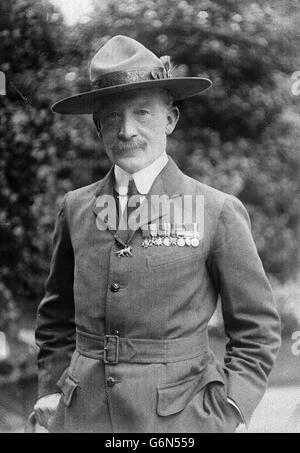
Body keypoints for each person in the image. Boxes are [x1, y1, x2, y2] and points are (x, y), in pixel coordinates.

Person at [34, 35, 281, 433]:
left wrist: (233, 407)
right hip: (82, 418)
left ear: (169, 119)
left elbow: (256, 328)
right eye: (112, 117)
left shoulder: (216, 210)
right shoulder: (76, 208)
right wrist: (50, 390)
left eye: (143, 113)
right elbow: (56, 317)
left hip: (181, 420)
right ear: (98, 127)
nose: (127, 130)